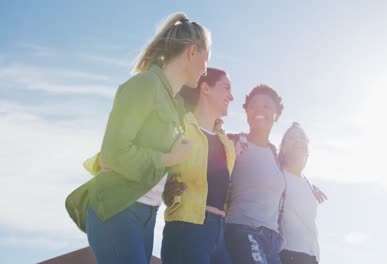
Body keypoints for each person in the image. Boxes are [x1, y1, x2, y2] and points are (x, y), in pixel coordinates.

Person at [65, 13, 211, 264]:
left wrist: (168, 186)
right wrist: (168, 158)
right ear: (192, 52)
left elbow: (144, 162)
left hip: (146, 215)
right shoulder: (144, 86)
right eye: (206, 60)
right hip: (117, 208)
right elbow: (114, 153)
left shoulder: (174, 105)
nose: (206, 70)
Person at [160, 67, 235, 264]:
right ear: (205, 88)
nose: (231, 96)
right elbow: (152, 164)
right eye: (226, 88)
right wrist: (165, 188)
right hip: (187, 229)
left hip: (219, 234)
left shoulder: (227, 144)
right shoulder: (179, 128)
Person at [224, 84, 286, 264]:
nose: (259, 110)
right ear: (247, 112)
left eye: (266, 106)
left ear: (277, 115)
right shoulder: (235, 143)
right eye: (253, 106)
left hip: (272, 240)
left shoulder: (276, 157)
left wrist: (308, 187)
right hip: (243, 230)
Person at [278, 122, 327, 264]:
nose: (298, 140)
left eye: (302, 137)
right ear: (284, 147)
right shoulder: (277, 176)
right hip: (288, 253)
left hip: (312, 256)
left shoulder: (307, 183)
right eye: (292, 137)